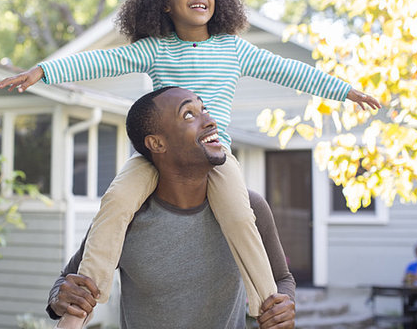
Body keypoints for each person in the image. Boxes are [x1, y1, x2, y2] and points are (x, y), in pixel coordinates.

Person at [0, 0, 381, 328]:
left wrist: (344, 90)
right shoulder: (156, 48)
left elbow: (290, 71)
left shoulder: (233, 49)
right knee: (116, 202)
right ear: (165, 1)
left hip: (218, 156)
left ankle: (265, 307)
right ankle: (80, 311)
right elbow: (101, 62)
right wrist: (43, 71)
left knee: (239, 216)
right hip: (152, 160)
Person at [47, 86, 296, 328]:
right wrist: (61, 300)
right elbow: (65, 281)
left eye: (204, 109)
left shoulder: (250, 207)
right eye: (189, 114)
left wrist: (285, 306)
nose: (210, 120)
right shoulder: (125, 218)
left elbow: (282, 279)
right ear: (157, 144)